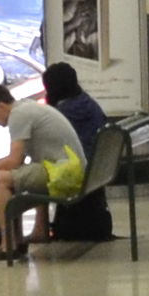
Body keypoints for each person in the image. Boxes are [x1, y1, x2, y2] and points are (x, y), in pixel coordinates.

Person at [0, 74, 88, 258]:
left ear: (1, 106)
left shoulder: (18, 116)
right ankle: (37, 231)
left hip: (65, 174)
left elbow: (13, 161)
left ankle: (7, 243)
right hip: (71, 169)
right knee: (21, 171)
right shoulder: (26, 108)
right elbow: (18, 161)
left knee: (0, 180)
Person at [36, 61, 116, 246]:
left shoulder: (63, 113)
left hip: (80, 172)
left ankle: (35, 231)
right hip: (98, 171)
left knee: (32, 174)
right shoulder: (87, 102)